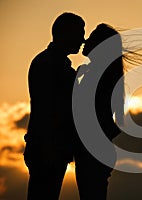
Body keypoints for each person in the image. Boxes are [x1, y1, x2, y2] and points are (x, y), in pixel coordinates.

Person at [23, 12, 85, 199]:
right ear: (65, 33)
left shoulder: (51, 62)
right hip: (48, 148)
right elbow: (49, 109)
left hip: (47, 147)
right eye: (79, 33)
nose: (83, 39)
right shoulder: (50, 64)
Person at [74, 23, 124, 200]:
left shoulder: (98, 74)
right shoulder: (105, 73)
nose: (86, 40)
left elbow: (83, 110)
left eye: (92, 37)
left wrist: (75, 84)